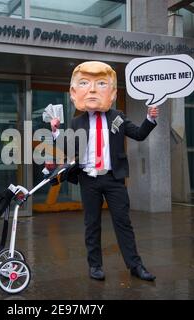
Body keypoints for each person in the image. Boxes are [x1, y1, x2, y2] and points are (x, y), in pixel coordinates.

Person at [50, 61, 158, 281]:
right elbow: (67, 147)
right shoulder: (77, 121)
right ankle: (95, 266)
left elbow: (138, 134)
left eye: (100, 84)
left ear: (111, 92)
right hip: (88, 179)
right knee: (92, 224)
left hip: (113, 178)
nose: (92, 90)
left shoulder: (116, 116)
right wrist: (55, 131)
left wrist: (150, 118)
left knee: (123, 223)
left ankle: (135, 266)